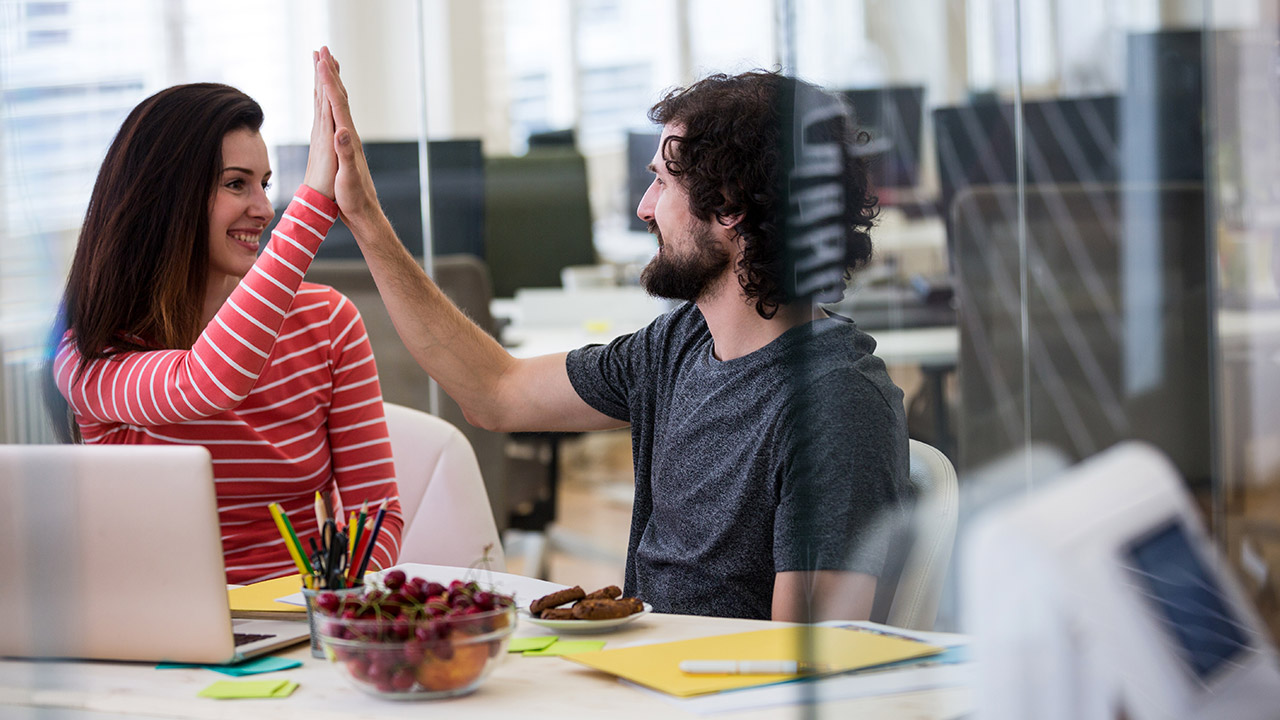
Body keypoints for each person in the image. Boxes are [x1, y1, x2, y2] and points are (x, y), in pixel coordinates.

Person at [318, 48, 908, 621]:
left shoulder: (835, 402)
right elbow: (494, 391)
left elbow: (808, 666)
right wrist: (367, 220)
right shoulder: (680, 344)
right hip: (636, 672)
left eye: (661, 183)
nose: (644, 208)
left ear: (728, 208)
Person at [49, 55, 403, 585]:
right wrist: (316, 202)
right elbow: (207, 382)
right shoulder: (90, 350)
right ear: (166, 198)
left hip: (304, 626)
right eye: (236, 184)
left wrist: (336, 605)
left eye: (264, 183)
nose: (264, 207)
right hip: (165, 632)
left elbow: (377, 518)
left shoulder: (327, 321)